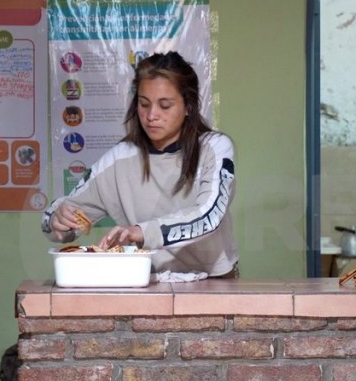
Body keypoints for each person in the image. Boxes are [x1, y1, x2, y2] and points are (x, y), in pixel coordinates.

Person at [42, 51, 239, 278]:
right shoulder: (119, 158)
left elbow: (209, 216)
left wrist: (142, 232)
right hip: (148, 284)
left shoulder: (215, 148)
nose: (151, 115)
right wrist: (58, 219)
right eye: (144, 104)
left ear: (189, 107)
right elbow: (61, 216)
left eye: (165, 105)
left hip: (214, 283)